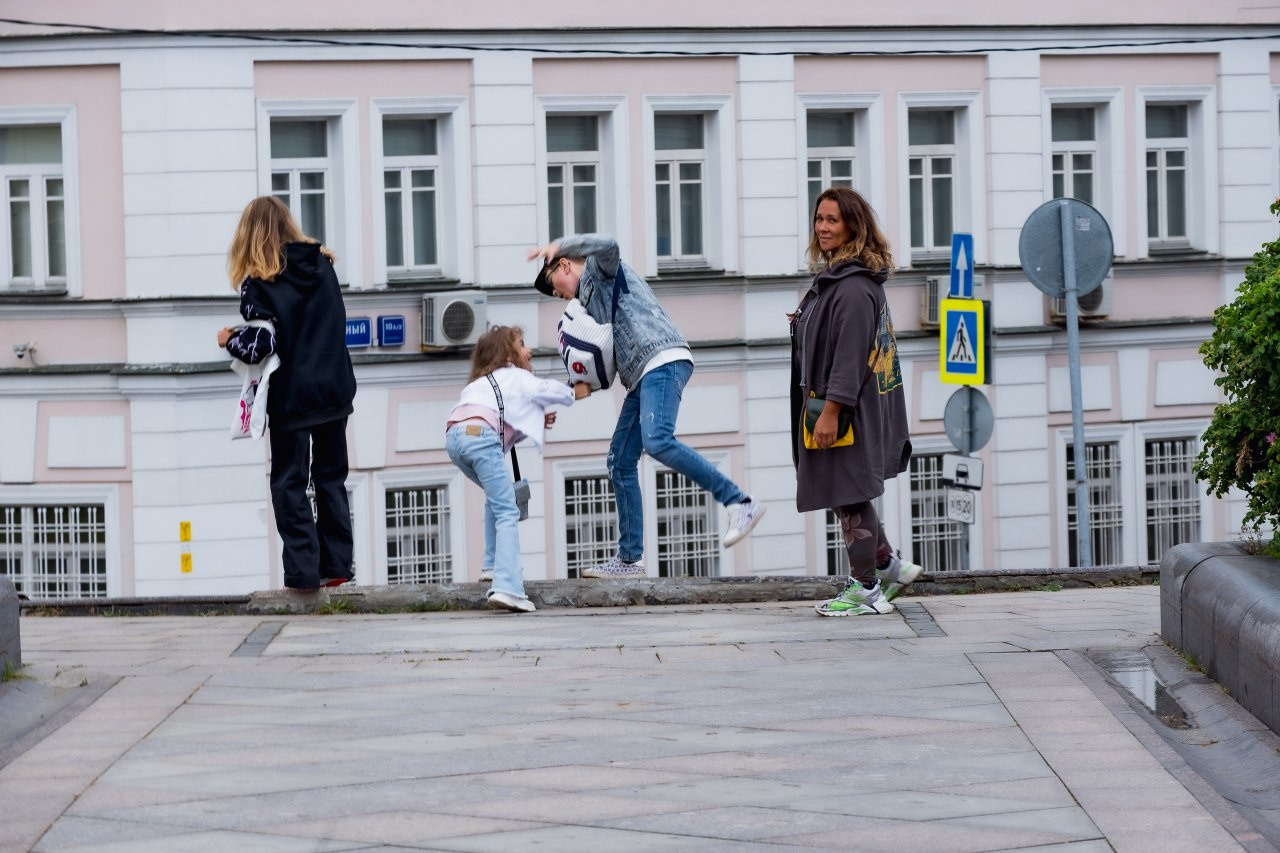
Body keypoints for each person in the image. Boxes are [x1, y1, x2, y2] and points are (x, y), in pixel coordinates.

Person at [529, 234, 765, 578]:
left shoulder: (599, 270)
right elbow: (597, 369)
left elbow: (608, 244)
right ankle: (629, 559)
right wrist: (552, 400)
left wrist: (562, 244)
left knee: (656, 439)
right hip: (640, 375)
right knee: (619, 461)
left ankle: (740, 502)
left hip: (662, 359)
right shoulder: (585, 305)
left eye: (556, 287)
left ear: (564, 264)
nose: (560, 296)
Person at [791, 187, 923, 616]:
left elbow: (849, 356)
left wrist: (830, 412)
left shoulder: (851, 287)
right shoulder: (838, 279)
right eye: (819, 219)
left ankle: (866, 589)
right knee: (843, 491)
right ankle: (887, 566)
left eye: (833, 220)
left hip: (844, 410)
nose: (823, 227)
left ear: (853, 226)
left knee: (847, 492)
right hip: (838, 406)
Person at [217, 196, 357, 593]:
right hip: (334, 390)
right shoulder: (323, 266)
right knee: (331, 479)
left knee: (290, 483)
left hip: (292, 398)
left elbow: (260, 345)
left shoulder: (260, 282)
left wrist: (229, 339)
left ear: (248, 234)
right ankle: (337, 567)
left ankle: (303, 574)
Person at [446, 325, 589, 612]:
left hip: (455, 438)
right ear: (507, 354)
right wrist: (575, 392)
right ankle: (507, 587)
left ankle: (491, 565)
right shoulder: (514, 374)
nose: (530, 350)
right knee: (508, 509)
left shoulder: (482, 382)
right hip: (480, 437)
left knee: (495, 499)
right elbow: (543, 389)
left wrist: (532, 424)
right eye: (522, 344)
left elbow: (501, 425)